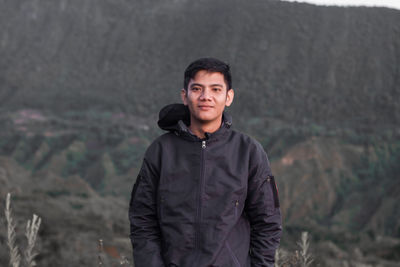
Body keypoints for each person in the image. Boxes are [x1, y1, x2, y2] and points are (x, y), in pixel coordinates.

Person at [129, 58, 282, 267]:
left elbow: (268, 223)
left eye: (216, 89)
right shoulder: (161, 151)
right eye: (197, 89)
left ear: (229, 97)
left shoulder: (248, 152)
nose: (206, 97)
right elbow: (142, 220)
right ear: (185, 95)